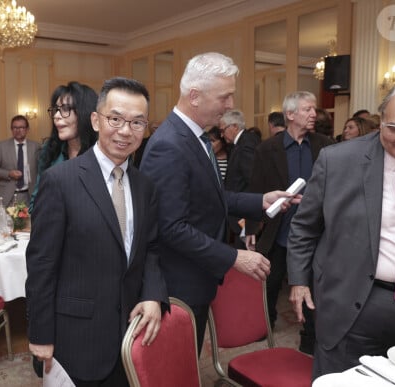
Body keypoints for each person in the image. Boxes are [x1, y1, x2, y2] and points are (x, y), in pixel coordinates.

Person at [139, 52, 298, 351]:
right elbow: (171, 227)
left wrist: (261, 200)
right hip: (179, 283)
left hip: (196, 276)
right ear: (195, 96)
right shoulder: (170, 145)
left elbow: (211, 196)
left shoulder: (194, 136)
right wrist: (234, 257)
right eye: (225, 97)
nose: (230, 105)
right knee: (177, 369)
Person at [26, 77, 168, 386]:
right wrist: (40, 333)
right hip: (77, 337)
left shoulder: (145, 187)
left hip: (130, 333)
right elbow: (41, 265)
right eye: (115, 119)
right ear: (95, 120)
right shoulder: (60, 181)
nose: (125, 131)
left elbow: (152, 248)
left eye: (137, 122)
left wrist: (154, 295)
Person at [287, 80, 395, 379]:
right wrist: (299, 280)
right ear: (380, 119)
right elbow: (304, 227)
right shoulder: (339, 160)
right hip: (354, 305)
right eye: (394, 128)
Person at [245, 91, 333, 353]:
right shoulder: (267, 149)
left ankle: (310, 336)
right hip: (279, 229)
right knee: (271, 283)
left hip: (316, 232)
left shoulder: (326, 146)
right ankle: (265, 324)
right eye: (307, 109)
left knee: (314, 286)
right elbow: (256, 187)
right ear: (290, 114)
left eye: (314, 110)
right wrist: (251, 227)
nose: (313, 114)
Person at [28, 81, 98, 212]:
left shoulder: (102, 155)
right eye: (56, 110)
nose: (56, 116)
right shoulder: (49, 151)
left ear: (85, 112)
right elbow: (34, 204)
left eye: (65, 109)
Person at [221, 109, 261, 249]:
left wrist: (250, 217)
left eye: (223, 129)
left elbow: (253, 180)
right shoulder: (242, 142)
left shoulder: (246, 144)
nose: (222, 134)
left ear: (235, 127)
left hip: (245, 213)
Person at [0, 115, 40, 206]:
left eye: (21, 127)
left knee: (30, 221)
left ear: (27, 129)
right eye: (15, 127)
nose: (18, 130)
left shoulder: (36, 146)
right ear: (11, 129)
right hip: (8, 196)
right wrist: (9, 173)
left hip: (29, 196)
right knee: (6, 220)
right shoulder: (2, 146)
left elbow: (41, 169)